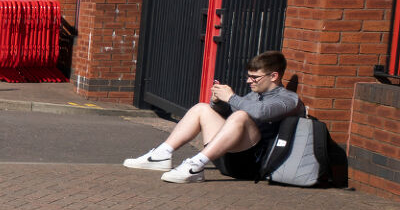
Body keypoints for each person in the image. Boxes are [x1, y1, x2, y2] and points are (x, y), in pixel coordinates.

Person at [124, 51, 300, 183]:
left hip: (251, 165)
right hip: (226, 155)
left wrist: (231, 97)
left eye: (255, 77)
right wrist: (218, 102)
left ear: (274, 76)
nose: (249, 81)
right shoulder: (254, 95)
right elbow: (229, 116)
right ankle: (161, 155)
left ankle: (195, 165)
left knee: (241, 116)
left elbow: (260, 113)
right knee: (202, 108)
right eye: (248, 76)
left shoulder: (288, 99)